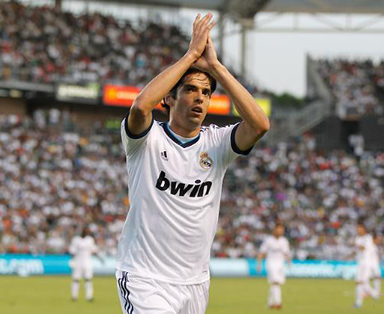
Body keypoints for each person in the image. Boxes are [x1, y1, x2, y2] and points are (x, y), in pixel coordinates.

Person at [116, 12, 269, 314]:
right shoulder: (146, 140)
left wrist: (216, 67)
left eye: (206, 92)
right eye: (189, 90)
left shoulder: (218, 144)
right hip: (146, 278)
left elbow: (260, 125)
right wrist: (190, 56)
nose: (200, 98)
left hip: (195, 283)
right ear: (169, 99)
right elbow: (140, 105)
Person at [257, 224, 291, 310]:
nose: (280, 231)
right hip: (271, 263)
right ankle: (278, 303)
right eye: (279, 229)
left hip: (280, 264)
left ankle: (270, 303)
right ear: (274, 230)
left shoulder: (284, 241)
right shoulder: (268, 240)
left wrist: (289, 263)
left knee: (275, 284)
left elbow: (286, 253)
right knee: (275, 282)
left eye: (282, 230)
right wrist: (259, 264)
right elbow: (262, 252)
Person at [69, 227, 100, 301]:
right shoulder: (76, 240)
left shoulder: (90, 240)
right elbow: (72, 251)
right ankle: (74, 296)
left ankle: (89, 296)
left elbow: (94, 250)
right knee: (76, 279)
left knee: (88, 279)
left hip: (87, 261)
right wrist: (72, 260)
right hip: (78, 261)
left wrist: (99, 257)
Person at [354, 223, 378, 308]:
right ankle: (358, 303)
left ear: (363, 229)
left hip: (367, 263)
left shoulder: (368, 238)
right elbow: (357, 250)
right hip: (360, 263)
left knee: (363, 282)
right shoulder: (357, 238)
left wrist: (358, 245)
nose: (358, 230)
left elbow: (365, 248)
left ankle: (375, 293)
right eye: (357, 228)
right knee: (358, 283)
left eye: (359, 228)